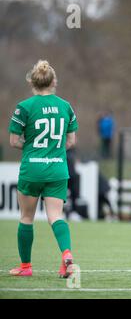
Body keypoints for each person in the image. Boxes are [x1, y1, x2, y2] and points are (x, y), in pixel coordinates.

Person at [8, 60, 78, 278]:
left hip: (32, 170)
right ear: (53, 81)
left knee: (26, 218)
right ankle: (66, 254)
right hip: (58, 170)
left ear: (32, 82)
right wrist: (54, 150)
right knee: (56, 215)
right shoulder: (66, 106)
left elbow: (13, 141)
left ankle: (26, 267)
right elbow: (71, 141)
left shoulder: (24, 107)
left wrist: (31, 146)